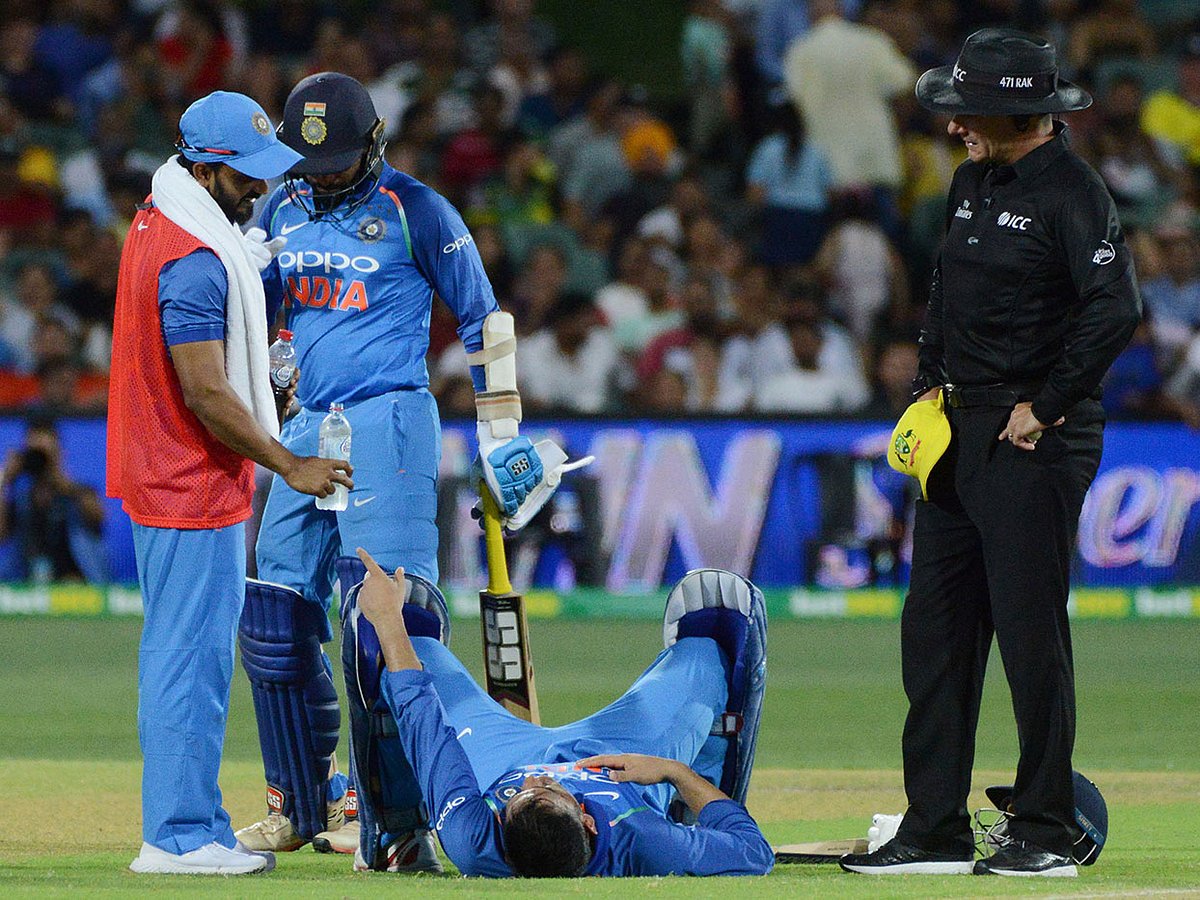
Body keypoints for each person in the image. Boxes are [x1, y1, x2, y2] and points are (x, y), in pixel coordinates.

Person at [238, 72, 569, 860]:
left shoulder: (416, 209)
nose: (323, 177)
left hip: (387, 420)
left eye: (337, 161)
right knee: (274, 619)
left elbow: (484, 320)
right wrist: (266, 339)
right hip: (305, 429)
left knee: (385, 619)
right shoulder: (278, 208)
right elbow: (259, 310)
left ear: (373, 142)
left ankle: (394, 821)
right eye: (309, 163)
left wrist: (501, 436)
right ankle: (302, 804)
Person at [840, 29, 1141, 878]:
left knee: (1030, 636)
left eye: (969, 111)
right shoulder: (971, 182)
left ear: (1020, 113)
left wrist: (1045, 405)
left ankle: (1044, 830)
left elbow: (1115, 308)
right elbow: (945, 290)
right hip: (958, 434)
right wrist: (929, 381)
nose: (954, 126)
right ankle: (935, 829)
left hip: (1033, 439)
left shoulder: (1073, 192)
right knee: (934, 633)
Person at [107, 91, 354, 876]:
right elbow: (207, 392)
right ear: (205, 169)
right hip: (189, 483)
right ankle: (177, 837)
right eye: (245, 175)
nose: (258, 188)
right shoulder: (194, 263)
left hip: (167, 475)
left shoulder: (160, 219)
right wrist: (289, 463)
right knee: (190, 662)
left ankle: (195, 823)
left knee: (186, 656)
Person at [345, 548, 772, 877]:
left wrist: (388, 620)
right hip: (624, 760)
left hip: (500, 760)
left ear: (501, 825)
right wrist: (674, 773)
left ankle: (398, 835)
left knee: (402, 641)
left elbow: (426, 725)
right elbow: (754, 852)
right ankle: (696, 807)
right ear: (588, 821)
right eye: (547, 790)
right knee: (714, 633)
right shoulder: (645, 842)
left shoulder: (473, 837)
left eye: (519, 798)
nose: (535, 779)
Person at [0, 416, 105, 583]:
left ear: (59, 451)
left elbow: (98, 517)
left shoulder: (79, 492)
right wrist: (4, 481)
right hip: (28, 583)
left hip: (74, 583)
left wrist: (58, 474)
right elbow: (2, 535)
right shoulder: (21, 497)